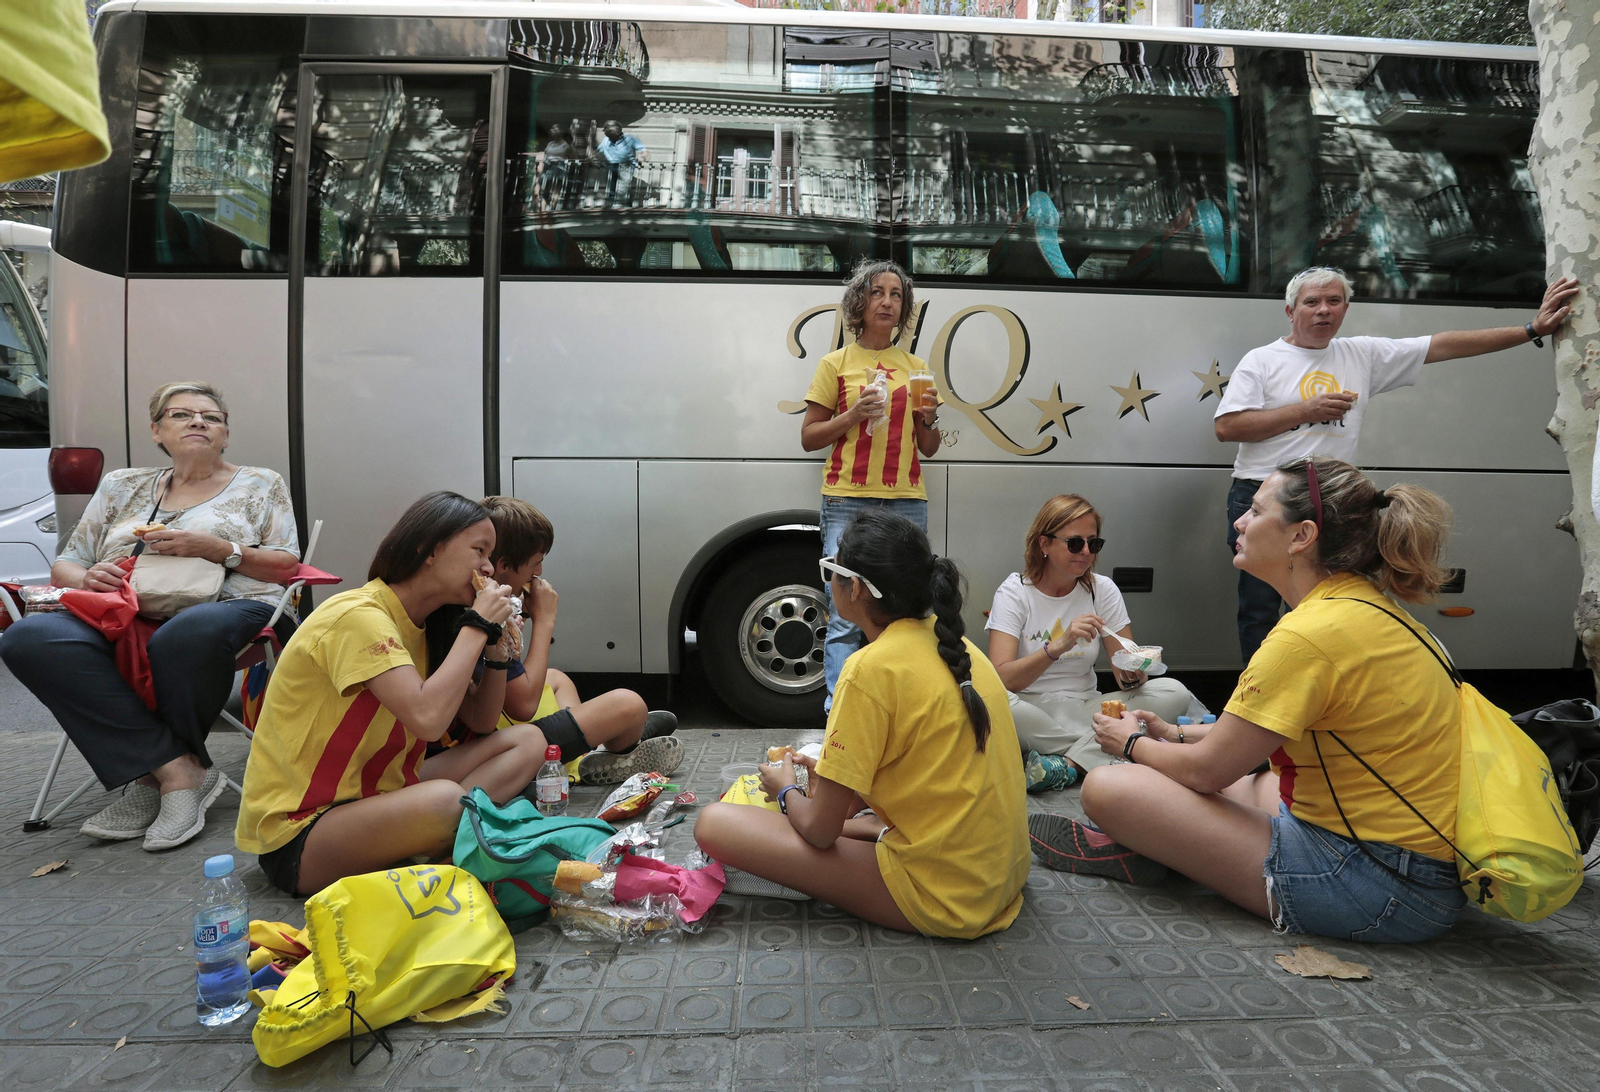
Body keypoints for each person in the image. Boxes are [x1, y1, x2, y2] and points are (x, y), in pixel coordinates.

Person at [1030, 457, 1474, 943]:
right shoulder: (1364, 608)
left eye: (1255, 510)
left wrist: (1131, 744)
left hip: (1375, 887)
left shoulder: (1306, 636)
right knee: (1254, 783)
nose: (1239, 520)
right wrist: (1171, 732)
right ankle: (1164, 847)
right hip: (1430, 871)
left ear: (1301, 536)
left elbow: (1205, 772)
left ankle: (1154, 850)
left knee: (1109, 787)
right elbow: (1249, 743)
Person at [1215, 267, 1580, 661]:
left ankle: (1317, 700)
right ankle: (1258, 704)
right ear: (1290, 311)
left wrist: (1530, 330)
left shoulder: (1361, 353)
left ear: (1345, 308)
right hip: (1263, 499)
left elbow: (1443, 346)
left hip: (1329, 502)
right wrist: (1308, 409)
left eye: (1333, 302)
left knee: (1325, 607)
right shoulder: (1263, 360)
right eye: (1312, 302)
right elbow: (1228, 426)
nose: (1323, 310)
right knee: (1260, 608)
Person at [695, 511, 1029, 938]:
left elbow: (820, 831)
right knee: (864, 821)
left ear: (853, 587)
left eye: (829, 570)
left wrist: (786, 791)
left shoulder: (867, 669)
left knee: (714, 823)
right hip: (1001, 876)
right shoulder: (958, 647)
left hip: (950, 897)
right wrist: (828, 779)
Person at [1, 382, 299, 850]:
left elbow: (286, 564)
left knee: (185, 633)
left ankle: (152, 781)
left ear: (225, 435)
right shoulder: (122, 484)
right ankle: (175, 769)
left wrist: (219, 550)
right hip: (122, 607)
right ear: (157, 431)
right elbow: (66, 561)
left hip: (230, 605)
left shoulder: (261, 483)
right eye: (181, 415)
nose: (199, 422)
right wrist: (86, 578)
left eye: (211, 417)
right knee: (29, 638)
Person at [235, 492, 555, 897]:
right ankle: (447, 835)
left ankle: (441, 836)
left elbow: (482, 720)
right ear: (428, 549)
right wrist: (478, 625)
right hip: (305, 830)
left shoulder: (423, 622)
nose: (489, 568)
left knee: (528, 740)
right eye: (479, 551)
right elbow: (428, 719)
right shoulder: (359, 616)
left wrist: (496, 645)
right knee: (444, 801)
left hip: (382, 794)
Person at [426, 495, 680, 784]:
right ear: (505, 565)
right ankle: (607, 749)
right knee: (629, 704)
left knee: (557, 678)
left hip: (490, 731)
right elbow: (522, 705)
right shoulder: (467, 615)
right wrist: (545, 621)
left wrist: (505, 643)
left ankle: (589, 757)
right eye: (536, 563)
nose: (539, 573)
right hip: (486, 746)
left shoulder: (473, 610)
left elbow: (491, 704)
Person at [986, 494, 1201, 792]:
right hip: (1029, 707)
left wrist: (1135, 670)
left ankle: (1069, 764)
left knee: (1174, 691)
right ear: (1044, 544)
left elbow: (1126, 680)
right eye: (1075, 543)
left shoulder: (1103, 590)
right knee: (991, 700)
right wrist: (1058, 646)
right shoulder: (1015, 592)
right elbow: (1003, 679)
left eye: (1094, 543)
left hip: (1086, 708)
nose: (1086, 552)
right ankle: (1124, 747)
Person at [801, 260, 941, 709]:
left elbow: (929, 446)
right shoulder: (835, 363)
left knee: (907, 609)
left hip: (906, 499)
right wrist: (853, 415)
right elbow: (809, 437)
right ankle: (843, 710)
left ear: (904, 310)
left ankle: (901, 706)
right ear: (858, 304)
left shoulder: (916, 367)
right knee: (846, 612)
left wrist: (930, 418)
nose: (887, 301)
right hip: (847, 497)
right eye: (877, 292)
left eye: (896, 295)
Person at [597, 119, 647, 208]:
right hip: (611, 166)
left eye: (611, 135)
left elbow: (643, 151)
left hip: (626, 167)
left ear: (617, 132)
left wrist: (641, 157)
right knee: (611, 187)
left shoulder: (630, 139)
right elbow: (598, 151)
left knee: (623, 188)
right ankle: (611, 207)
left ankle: (623, 206)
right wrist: (594, 158)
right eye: (607, 135)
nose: (609, 137)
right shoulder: (606, 140)